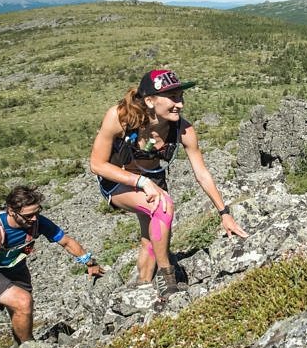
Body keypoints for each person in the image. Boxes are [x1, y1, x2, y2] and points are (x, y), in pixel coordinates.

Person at [90, 68, 248, 297]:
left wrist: (224, 213)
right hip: (117, 180)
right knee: (162, 206)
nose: (180, 104)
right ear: (150, 101)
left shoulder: (183, 129)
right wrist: (141, 181)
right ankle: (167, 277)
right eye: (172, 97)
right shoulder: (119, 118)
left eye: (180, 97)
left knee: (152, 238)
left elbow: (202, 173)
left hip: (153, 179)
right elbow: (96, 164)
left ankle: (142, 288)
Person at [0, 185, 104, 346]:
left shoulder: (37, 222)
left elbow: (66, 242)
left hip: (15, 268)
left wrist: (90, 262)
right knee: (23, 302)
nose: (34, 219)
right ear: (11, 211)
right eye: (28, 215)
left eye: (37, 213)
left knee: (21, 311)